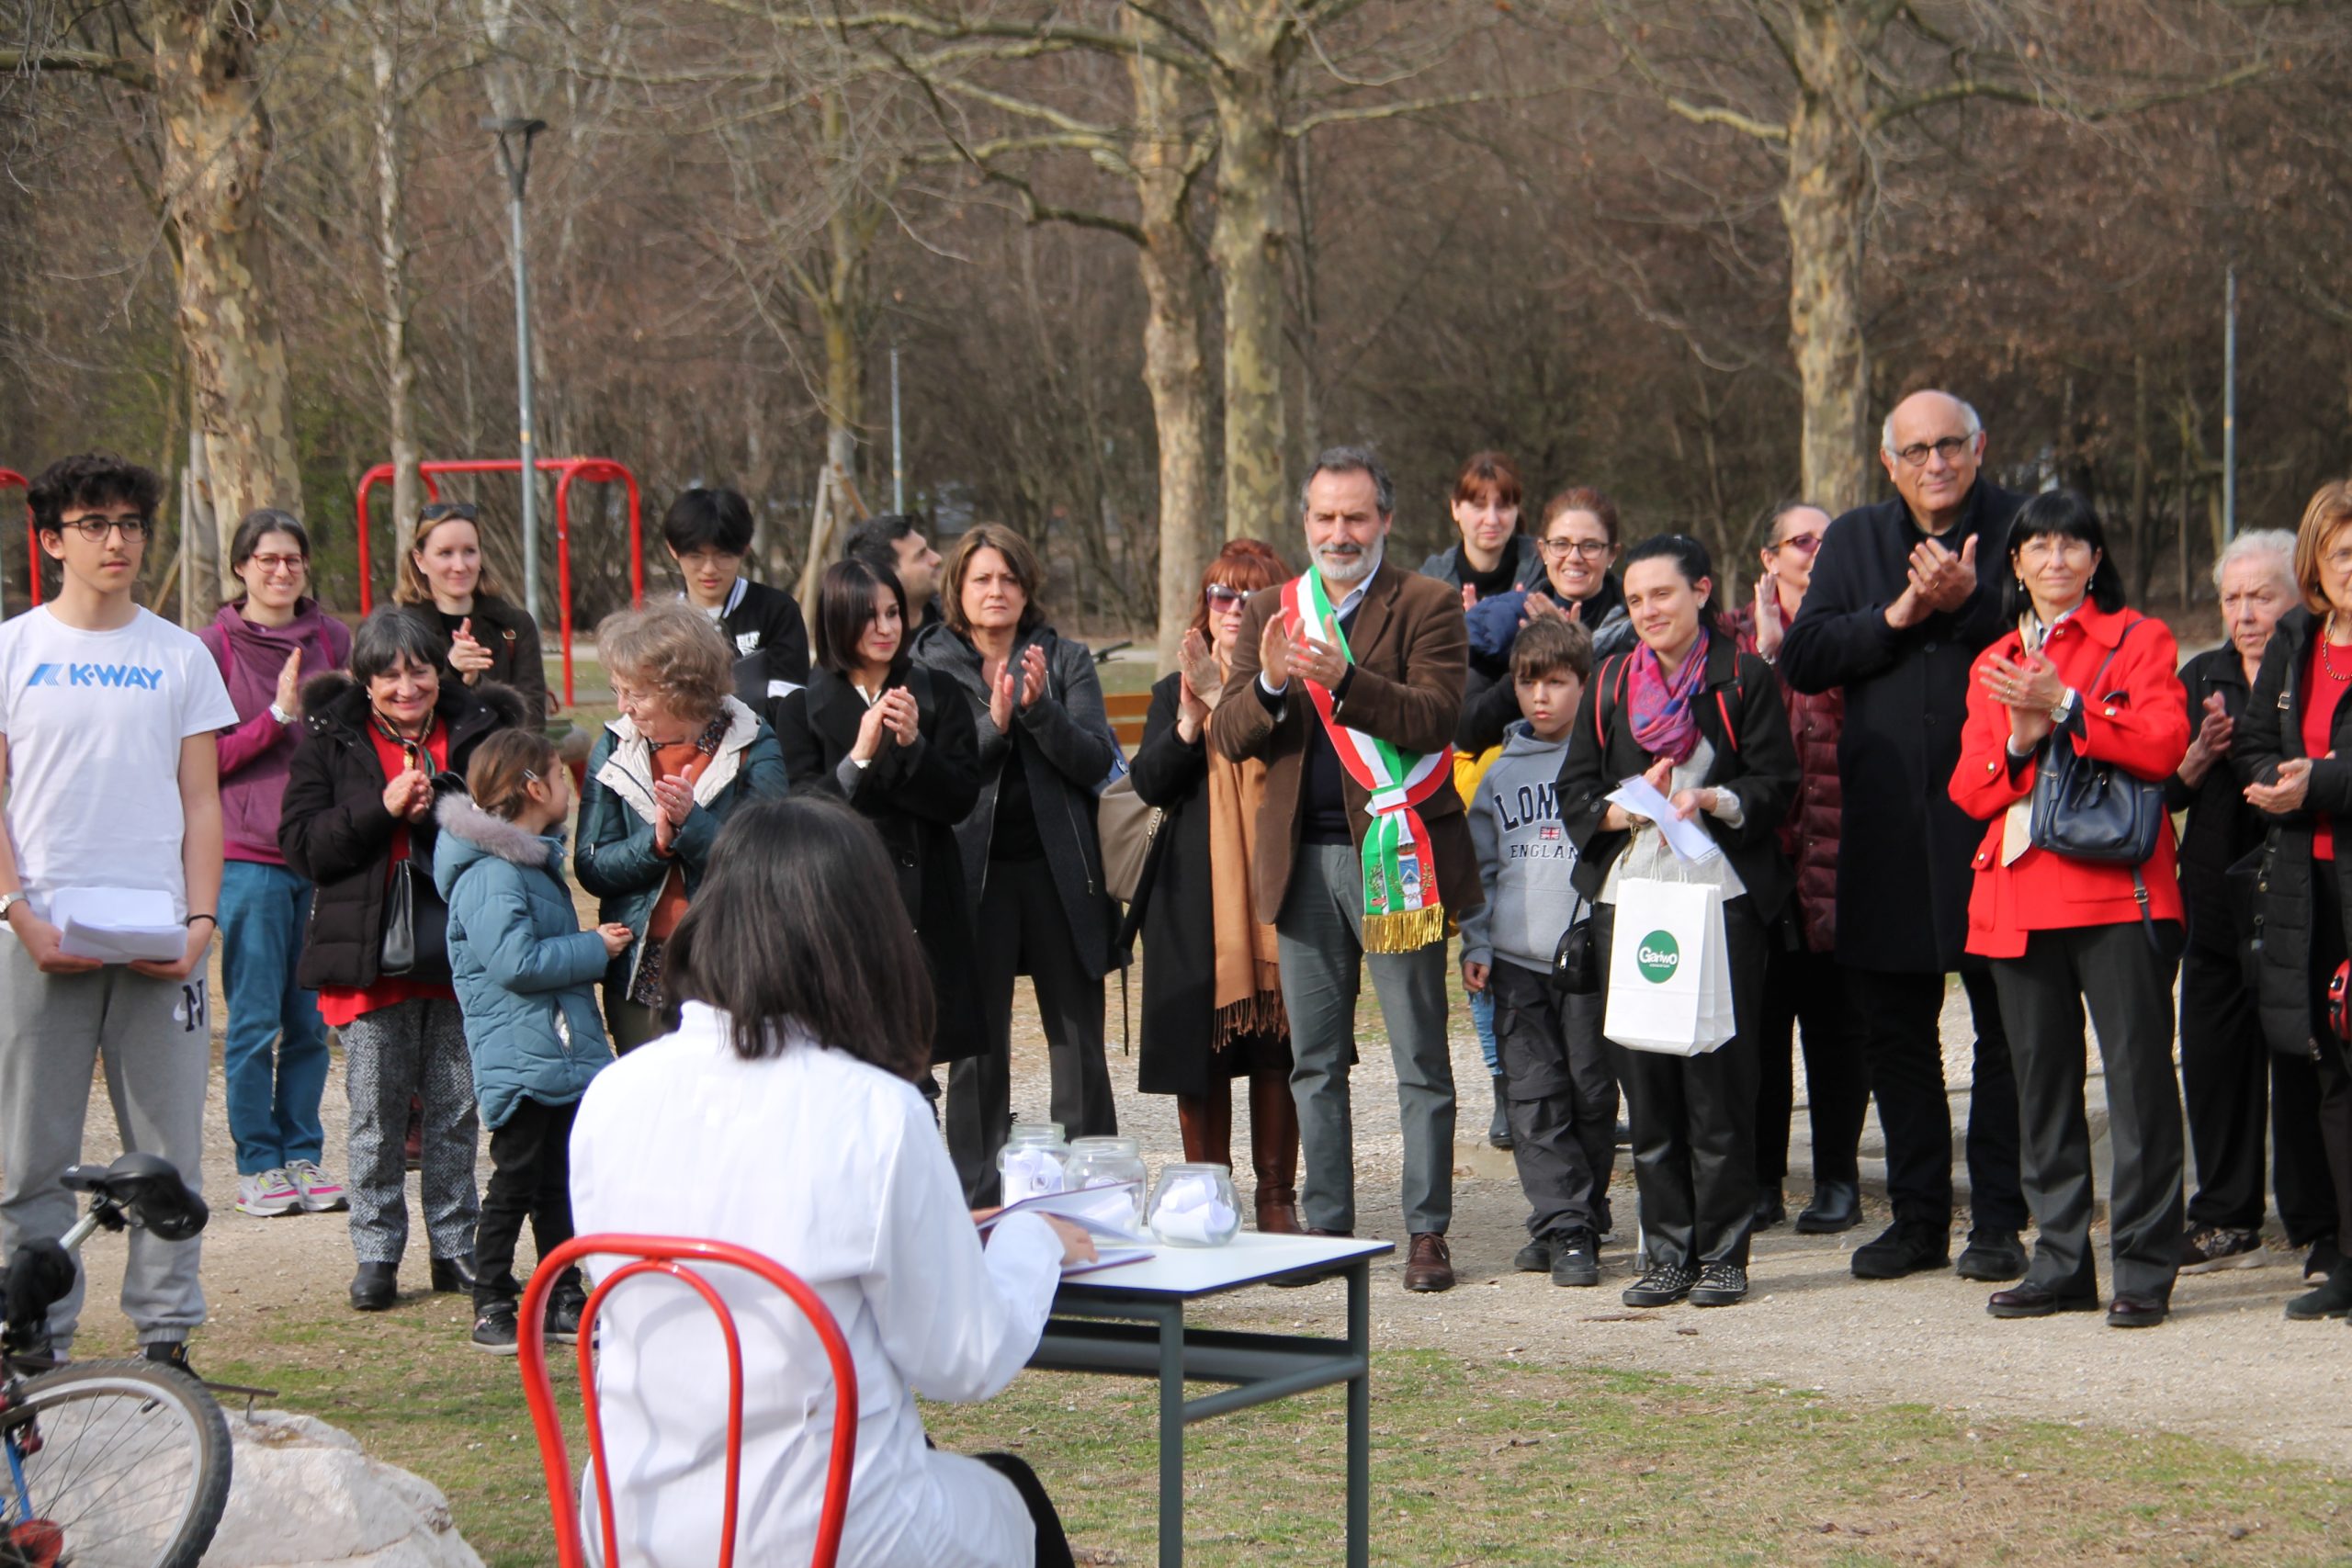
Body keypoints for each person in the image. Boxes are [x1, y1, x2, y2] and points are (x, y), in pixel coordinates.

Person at [570, 795, 1089, 1568]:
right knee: (1007, 1496)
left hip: (633, 1521)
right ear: (864, 939)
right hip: (817, 1530)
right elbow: (965, 1359)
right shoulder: (874, 1112)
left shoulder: (612, 1095)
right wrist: (1028, 1237)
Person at [1776, 389, 2032, 1283]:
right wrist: (1897, 618)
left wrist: (1969, 607)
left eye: (1950, 445)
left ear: (1978, 447)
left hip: (1999, 823)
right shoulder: (1850, 541)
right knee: (1894, 1033)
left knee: (2006, 1031)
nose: (1935, 462)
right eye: (1916, 449)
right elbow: (1802, 657)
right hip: (1885, 827)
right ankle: (1920, 1216)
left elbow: (2068, 645)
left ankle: (1997, 1217)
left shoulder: (2024, 528)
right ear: (1888, 462)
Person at [1209, 446, 1477, 1293]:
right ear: (1306, 523)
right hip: (1302, 864)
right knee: (1316, 1061)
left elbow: (1438, 717)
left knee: (1418, 1055)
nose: (1339, 532)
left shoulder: (1428, 603)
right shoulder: (1270, 610)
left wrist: (1350, 685)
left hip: (1394, 858)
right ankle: (1328, 1223)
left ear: (1386, 521)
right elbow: (1227, 733)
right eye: (1324, 517)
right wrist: (1278, 690)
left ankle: (1427, 1232)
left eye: (1356, 516)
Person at [0, 452, 237, 1373]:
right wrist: (19, 913)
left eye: (130, 524)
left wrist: (200, 926)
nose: (116, 541)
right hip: (39, 934)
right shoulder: (13, 650)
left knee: (169, 1156)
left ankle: (166, 1341)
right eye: (94, 524)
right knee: (29, 1157)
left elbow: (204, 804)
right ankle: (34, 1343)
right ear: (52, 540)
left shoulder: (179, 655)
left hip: (160, 940)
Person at [1951, 491, 2188, 1327]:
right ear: (2014, 562)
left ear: (2095, 559)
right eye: (2037, 546)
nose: (2055, 560)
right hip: (2016, 894)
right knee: (2042, 1088)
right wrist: (2018, 737)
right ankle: (2059, 1261)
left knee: (2138, 1085)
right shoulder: (1993, 657)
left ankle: (2144, 1267)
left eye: (2072, 545)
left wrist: (2066, 705)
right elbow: (1968, 786)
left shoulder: (2139, 638)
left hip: (2116, 894)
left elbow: (2161, 746)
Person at [1559, 534, 1798, 1309]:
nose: (1648, 611)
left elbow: (1777, 784)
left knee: (1718, 1088)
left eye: (1661, 594)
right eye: (1633, 599)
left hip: (1717, 899)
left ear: (1700, 591)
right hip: (1629, 903)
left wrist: (1710, 798)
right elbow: (1576, 797)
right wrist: (1625, 808)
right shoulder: (1609, 683)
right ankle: (1665, 1252)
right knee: (1649, 1090)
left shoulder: (1744, 677)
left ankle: (1724, 1252)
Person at [279, 608, 526, 1312]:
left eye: (418, 669)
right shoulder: (330, 737)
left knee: (455, 1109)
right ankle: (377, 1252)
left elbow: (521, 823)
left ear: (438, 668)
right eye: (387, 674)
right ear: (364, 679)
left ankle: (455, 1246)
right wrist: (381, 808)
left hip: (460, 950)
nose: (406, 685)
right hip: (367, 957)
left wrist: (445, 804)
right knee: (377, 1115)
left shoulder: (479, 726)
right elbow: (303, 846)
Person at [910, 525, 1122, 1205]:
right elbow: (936, 773)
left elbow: (1096, 762)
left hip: (1062, 877)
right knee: (977, 1047)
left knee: (1078, 1046)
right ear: (959, 591)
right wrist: (994, 726)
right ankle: (978, 1198)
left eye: (1008, 578)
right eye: (982, 579)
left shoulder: (1064, 657)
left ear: (1026, 587)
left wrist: (1041, 713)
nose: (996, 590)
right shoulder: (932, 665)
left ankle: (1088, 1194)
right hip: (973, 880)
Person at [2169, 530, 2340, 1280]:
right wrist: (2199, 754)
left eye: (2261, 594)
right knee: (2211, 1065)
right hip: (2212, 899)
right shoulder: (2201, 674)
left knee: (2299, 1062)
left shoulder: (2306, 668)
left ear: (2298, 594)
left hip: (2291, 898)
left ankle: (2312, 1221)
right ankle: (2224, 1216)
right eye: (2231, 597)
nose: (2244, 612)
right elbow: (2166, 790)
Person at [433, 729, 628, 1355]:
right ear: (534, 788)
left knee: (557, 1183)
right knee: (514, 1181)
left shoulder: (529, 864)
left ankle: (561, 1293)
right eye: (561, 774)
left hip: (554, 1051)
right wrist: (594, 948)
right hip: (521, 1056)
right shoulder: (492, 874)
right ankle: (492, 1297)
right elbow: (515, 961)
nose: (571, 784)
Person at [1128, 540, 1300, 1233]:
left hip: (1277, 887)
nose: (1232, 609)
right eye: (1221, 595)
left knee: (1278, 1046)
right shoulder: (1176, 686)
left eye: (1249, 595)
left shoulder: (1297, 682)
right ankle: (1210, 1198)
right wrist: (1190, 719)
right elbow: (1148, 782)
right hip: (1192, 896)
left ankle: (1276, 1198)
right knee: (1199, 1051)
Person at [200, 508, 354, 1221]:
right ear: (241, 567)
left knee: (309, 1019)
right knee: (255, 1017)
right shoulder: (210, 648)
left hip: (317, 855)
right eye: (266, 559)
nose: (281, 570)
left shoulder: (333, 638)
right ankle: (256, 1161)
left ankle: (303, 1150)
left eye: (292, 558)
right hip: (248, 858)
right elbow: (206, 760)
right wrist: (279, 716)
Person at [776, 557, 985, 1068]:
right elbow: (802, 815)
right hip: (841, 901)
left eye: (893, 613)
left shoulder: (938, 692)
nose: (886, 628)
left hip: (926, 899)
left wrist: (914, 746)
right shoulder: (801, 705)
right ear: (837, 619)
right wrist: (860, 755)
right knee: (847, 1054)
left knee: (919, 1053)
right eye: (869, 616)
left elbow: (960, 797)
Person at [1460, 615, 1617, 1286]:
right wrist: (1477, 941)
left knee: (1589, 1090)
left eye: (1557, 682)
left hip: (1584, 961)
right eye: (1529, 683)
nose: (1542, 697)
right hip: (1517, 962)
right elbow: (1482, 868)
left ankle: (1579, 1210)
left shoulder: (1605, 762)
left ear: (1584, 685)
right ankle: (1564, 1223)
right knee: (1533, 1094)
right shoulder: (1499, 774)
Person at [1734, 502, 1867, 1235]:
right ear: (1770, 557)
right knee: (1760, 1030)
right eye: (1802, 540)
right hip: (1764, 867)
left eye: (1828, 539)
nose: (1816, 552)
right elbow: (1738, 739)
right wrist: (1771, 656)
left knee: (1837, 1031)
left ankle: (1838, 1178)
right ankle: (1762, 1180)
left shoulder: (1858, 631)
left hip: (1841, 857)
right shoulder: (1736, 638)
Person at [2237, 479, 2352, 1322]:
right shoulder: (2296, 640)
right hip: (2304, 888)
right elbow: (2250, 739)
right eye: (2343, 552)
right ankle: (2346, 1257)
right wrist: (2270, 781)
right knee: (2332, 1069)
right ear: (2314, 562)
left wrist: (2325, 781)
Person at [575, 603, 789, 1054]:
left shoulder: (752, 742)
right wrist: (655, 844)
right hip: (637, 967)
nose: (623, 707)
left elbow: (762, 862)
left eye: (637, 693)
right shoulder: (614, 746)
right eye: (618, 690)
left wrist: (691, 824)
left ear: (684, 690)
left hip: (727, 962)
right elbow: (591, 868)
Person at [1457, 487, 1639, 753]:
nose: (1574, 558)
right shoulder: (1508, 618)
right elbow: (1467, 731)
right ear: (1543, 550)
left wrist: (1574, 651)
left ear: (1612, 554)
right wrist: (1532, 662)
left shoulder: (1638, 623)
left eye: (1590, 546)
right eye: (1561, 544)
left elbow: (1636, 718)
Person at [395, 501, 548, 728]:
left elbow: (533, 720)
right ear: (420, 560)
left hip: (500, 761)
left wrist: (479, 683)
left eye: (469, 551)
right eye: (445, 553)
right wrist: (452, 672)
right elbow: (397, 719)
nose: (460, 565)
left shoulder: (514, 625)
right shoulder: (398, 629)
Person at [662, 486, 810, 705]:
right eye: (696, 556)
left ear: (744, 549)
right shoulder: (661, 623)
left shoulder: (777, 610)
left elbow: (788, 703)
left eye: (724, 555)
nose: (709, 569)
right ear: (673, 550)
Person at [1419, 451, 1544, 604]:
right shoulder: (1430, 583)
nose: (1491, 520)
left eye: (1503, 506)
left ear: (1517, 509)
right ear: (1455, 508)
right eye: (1479, 506)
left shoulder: (1546, 567)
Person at [846, 513, 945, 630]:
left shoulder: (958, 624)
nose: (937, 558)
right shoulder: (868, 644)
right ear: (888, 574)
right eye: (921, 555)